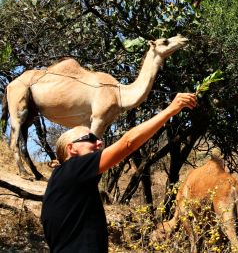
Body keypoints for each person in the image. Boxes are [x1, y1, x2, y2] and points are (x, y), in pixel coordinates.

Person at [41, 93, 197, 252]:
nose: (99, 142)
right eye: (90, 138)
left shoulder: (63, 182)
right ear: (71, 148)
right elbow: (128, 143)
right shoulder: (72, 169)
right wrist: (170, 110)